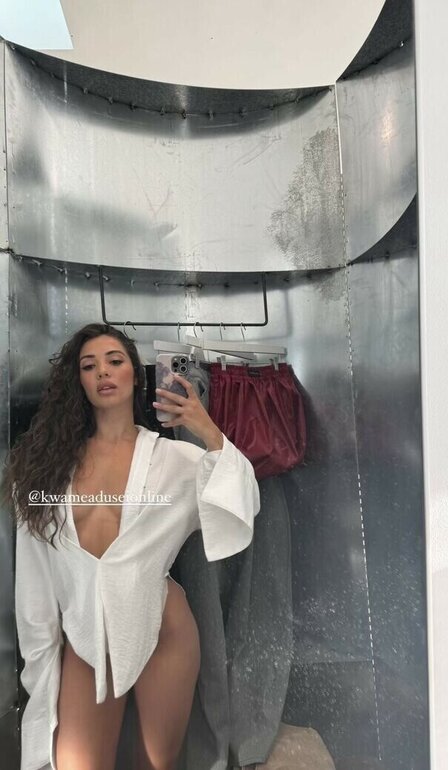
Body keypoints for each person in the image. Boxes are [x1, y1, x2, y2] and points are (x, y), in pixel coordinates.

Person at [1, 323, 260, 770]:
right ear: (78, 382)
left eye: (115, 361)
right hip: (87, 637)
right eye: (89, 366)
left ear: (135, 376)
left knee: (155, 764)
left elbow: (241, 502)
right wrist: (41, 664)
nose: (103, 371)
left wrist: (208, 431)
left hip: (164, 630)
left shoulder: (173, 460)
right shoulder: (43, 472)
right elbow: (35, 587)